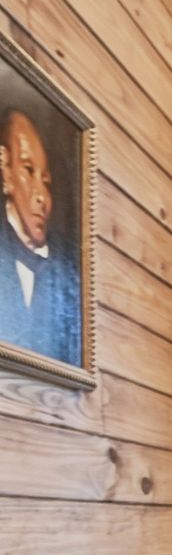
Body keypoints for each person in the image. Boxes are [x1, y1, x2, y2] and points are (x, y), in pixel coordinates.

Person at [0, 107, 79, 367]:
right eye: (28, 170)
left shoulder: (64, 272)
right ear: (5, 171)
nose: (41, 198)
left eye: (46, 182)